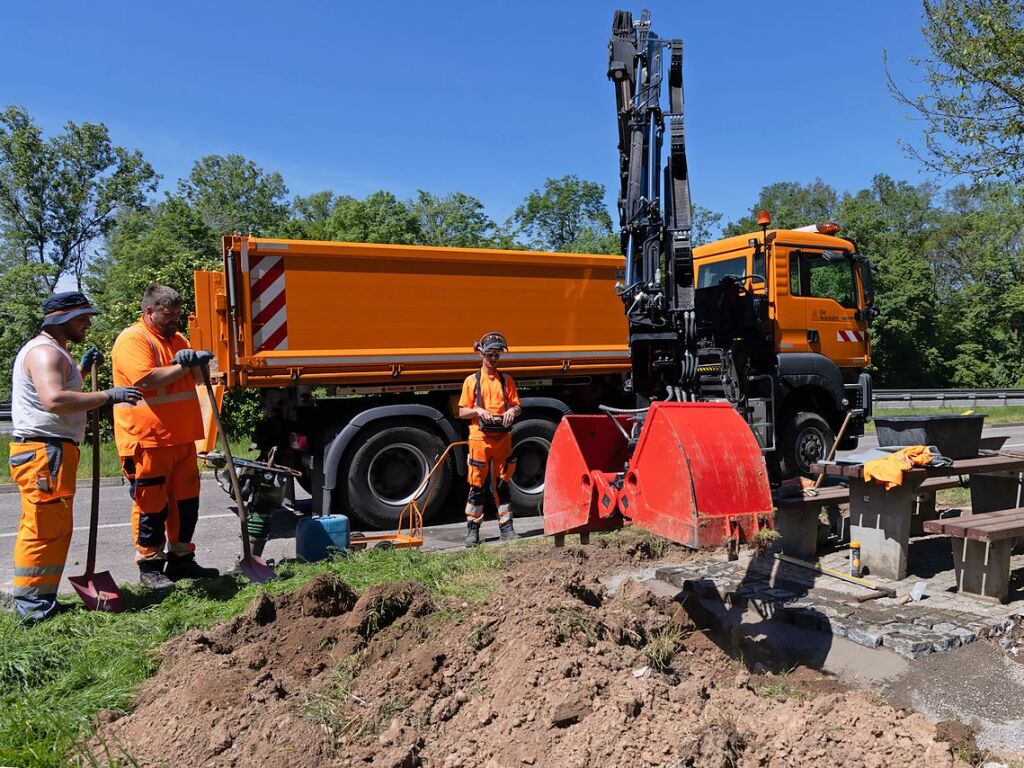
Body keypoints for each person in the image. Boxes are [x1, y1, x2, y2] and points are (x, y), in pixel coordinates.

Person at [9, 292, 142, 623]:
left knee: (54, 527)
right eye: (82, 317)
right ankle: (32, 608)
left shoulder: (56, 352)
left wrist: (80, 369)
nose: (88, 322)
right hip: (44, 451)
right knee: (43, 528)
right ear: (59, 320)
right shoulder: (43, 354)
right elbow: (53, 399)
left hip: (53, 450)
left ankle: (42, 599)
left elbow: (62, 390)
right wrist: (107, 396)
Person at [111, 284, 219, 589]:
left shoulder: (179, 339)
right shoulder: (133, 339)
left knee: (186, 503)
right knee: (151, 505)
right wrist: (182, 364)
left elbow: (200, 378)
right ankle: (151, 565)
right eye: (168, 316)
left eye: (177, 315)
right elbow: (146, 379)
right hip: (147, 440)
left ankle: (182, 559)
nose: (175, 321)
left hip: (183, 438)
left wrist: (197, 363)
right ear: (149, 311)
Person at [457, 331, 523, 547]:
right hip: (480, 438)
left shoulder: (506, 380)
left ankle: (507, 529)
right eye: (490, 355)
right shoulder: (472, 381)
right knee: (477, 484)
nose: (494, 359)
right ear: (481, 355)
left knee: (502, 483)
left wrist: (513, 412)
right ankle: (472, 532)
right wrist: (478, 411)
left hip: (502, 438)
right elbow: (462, 412)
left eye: (497, 355)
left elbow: (517, 405)